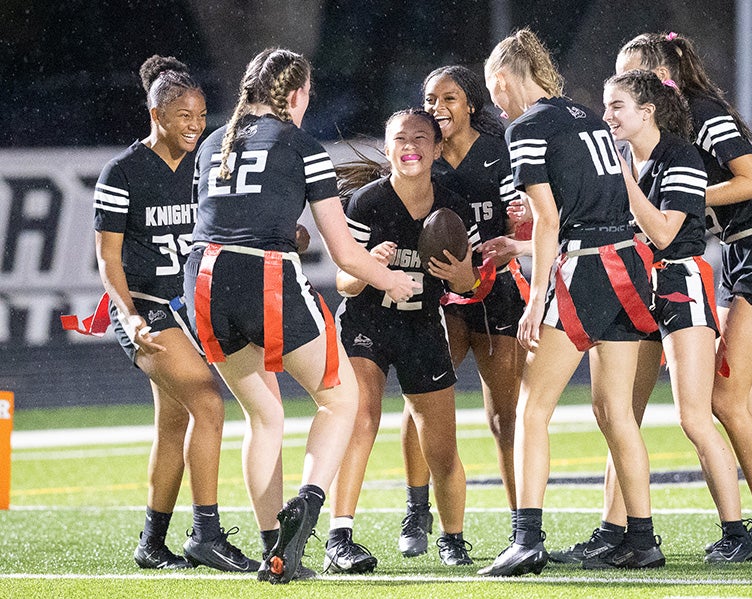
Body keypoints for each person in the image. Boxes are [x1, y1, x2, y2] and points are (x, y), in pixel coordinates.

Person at [184, 48, 419, 584]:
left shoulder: (213, 144)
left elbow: (224, 217)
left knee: (263, 416)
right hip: (261, 277)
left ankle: (274, 550)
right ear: (295, 95)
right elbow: (346, 254)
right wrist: (392, 280)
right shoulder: (301, 145)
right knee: (340, 399)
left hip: (203, 277)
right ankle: (309, 506)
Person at [614, 32, 752, 556]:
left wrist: (682, 196)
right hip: (738, 250)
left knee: (725, 397)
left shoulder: (702, 111)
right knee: (744, 400)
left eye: (631, 73)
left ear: (659, 77)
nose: (622, 84)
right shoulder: (666, 131)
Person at [477, 29, 665, 577]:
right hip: (628, 261)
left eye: (496, 91)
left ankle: (526, 539)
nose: (497, 103)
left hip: (585, 266)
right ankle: (642, 539)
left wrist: (535, 298)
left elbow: (548, 219)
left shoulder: (527, 127)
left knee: (532, 408)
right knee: (616, 413)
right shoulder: (587, 115)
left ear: (505, 79)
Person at [550, 69, 752, 566]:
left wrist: (624, 183)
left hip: (679, 285)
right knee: (622, 418)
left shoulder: (681, 156)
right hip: (634, 286)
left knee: (693, 417)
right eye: (605, 105)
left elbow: (664, 233)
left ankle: (736, 531)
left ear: (647, 112)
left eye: (617, 106)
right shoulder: (619, 158)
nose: (607, 116)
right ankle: (615, 532)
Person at [89, 55, 256, 571]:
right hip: (147, 310)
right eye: (185, 114)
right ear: (157, 113)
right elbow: (107, 257)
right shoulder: (123, 172)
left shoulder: (207, 163)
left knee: (173, 425)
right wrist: (129, 315)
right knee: (209, 406)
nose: (197, 125)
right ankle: (205, 532)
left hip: (192, 307)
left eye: (202, 115)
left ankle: (151, 543)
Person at [324, 108, 479, 573]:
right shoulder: (367, 203)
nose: (410, 146)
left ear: (435, 148)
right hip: (367, 321)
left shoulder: (453, 207)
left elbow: (468, 285)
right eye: (399, 139)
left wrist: (460, 275)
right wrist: (369, 265)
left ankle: (453, 537)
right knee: (361, 417)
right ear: (388, 148)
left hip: (422, 324)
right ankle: (339, 536)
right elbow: (343, 283)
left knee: (442, 446)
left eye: (419, 138)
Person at [394, 65, 529, 558]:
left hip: (497, 296)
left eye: (448, 98)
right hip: (439, 300)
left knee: (507, 416)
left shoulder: (502, 153)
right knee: (422, 402)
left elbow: (528, 223)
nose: (437, 107)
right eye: (430, 98)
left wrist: (523, 230)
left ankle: (523, 527)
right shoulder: (420, 157)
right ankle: (416, 508)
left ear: (470, 103)